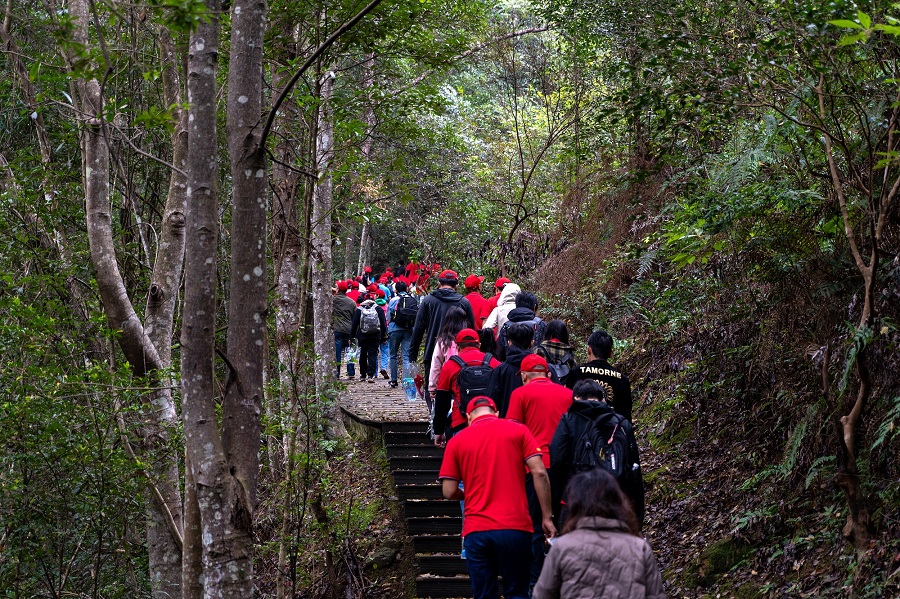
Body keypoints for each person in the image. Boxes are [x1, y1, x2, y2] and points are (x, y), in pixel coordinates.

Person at [439, 396, 557, 599]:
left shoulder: (457, 441)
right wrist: (546, 516)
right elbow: (539, 472)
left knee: (484, 595)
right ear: (497, 413)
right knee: (518, 593)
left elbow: (448, 491)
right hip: (516, 528)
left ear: (468, 417)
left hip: (477, 530)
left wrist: (467, 495)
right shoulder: (519, 431)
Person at [532, 468, 665, 599]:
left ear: (575, 505)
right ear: (618, 502)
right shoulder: (639, 548)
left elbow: (542, 594)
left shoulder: (562, 548)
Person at [506, 354, 574, 593]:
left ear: (524, 375)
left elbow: (513, 434)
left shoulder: (520, 394)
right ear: (547, 374)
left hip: (533, 469)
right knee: (563, 521)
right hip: (564, 468)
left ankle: (535, 581)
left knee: (535, 526)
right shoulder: (567, 394)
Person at [549, 379, 644, 527]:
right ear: (603, 399)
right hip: (614, 503)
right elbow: (634, 469)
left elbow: (557, 460)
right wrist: (637, 514)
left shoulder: (569, 420)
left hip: (576, 501)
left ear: (575, 398)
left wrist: (558, 501)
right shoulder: (621, 423)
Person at [410, 270, 477, 410]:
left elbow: (418, 329)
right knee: (458, 389)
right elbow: (473, 332)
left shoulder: (428, 301)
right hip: (460, 355)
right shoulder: (464, 302)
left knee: (432, 388)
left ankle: (435, 420)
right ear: (457, 285)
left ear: (439, 284)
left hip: (432, 352)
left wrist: (412, 356)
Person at [432, 328, 501, 444]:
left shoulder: (450, 366)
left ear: (457, 347)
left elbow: (441, 402)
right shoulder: (493, 363)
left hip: (461, 422)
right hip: (490, 423)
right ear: (479, 345)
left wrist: (438, 431)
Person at [566, 330, 633, 421]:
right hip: (611, 430)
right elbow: (625, 416)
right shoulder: (622, 380)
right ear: (610, 353)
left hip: (581, 430)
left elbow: (567, 406)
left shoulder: (576, 373)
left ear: (589, 349)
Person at [485, 322, 534, 418]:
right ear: (532, 343)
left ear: (509, 342)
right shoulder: (542, 370)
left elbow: (490, 402)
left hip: (505, 426)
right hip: (534, 426)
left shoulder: (499, 371)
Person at [427, 307, 470, 403]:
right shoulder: (469, 339)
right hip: (468, 381)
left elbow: (436, 365)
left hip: (448, 383)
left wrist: (432, 387)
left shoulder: (443, 341)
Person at [495, 291, 547, 361]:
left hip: (511, 367)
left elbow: (500, 352)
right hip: (535, 367)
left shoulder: (506, 325)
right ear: (534, 307)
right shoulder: (541, 324)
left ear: (517, 305)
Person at [349, 292, 387, 382]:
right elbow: (383, 323)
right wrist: (384, 336)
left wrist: (351, 337)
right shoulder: (378, 309)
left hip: (362, 335)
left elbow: (354, 324)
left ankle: (362, 374)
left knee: (363, 353)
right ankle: (371, 375)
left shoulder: (359, 309)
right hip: (375, 335)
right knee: (372, 354)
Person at [386, 281, 416, 387]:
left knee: (393, 355)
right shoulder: (411, 299)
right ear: (407, 289)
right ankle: (407, 381)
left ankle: (394, 380)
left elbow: (388, 317)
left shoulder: (394, 300)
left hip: (394, 329)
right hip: (408, 329)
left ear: (396, 290)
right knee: (406, 356)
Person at [534, 320, 577, 387]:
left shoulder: (539, 350)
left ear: (548, 332)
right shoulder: (569, 352)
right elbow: (574, 373)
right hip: (563, 391)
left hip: (542, 388)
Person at [333, 280, 357, 379]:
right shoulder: (351, 302)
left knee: (337, 352)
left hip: (337, 329)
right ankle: (351, 373)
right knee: (350, 351)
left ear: (338, 289)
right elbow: (355, 317)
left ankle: (337, 373)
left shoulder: (333, 300)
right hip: (349, 330)